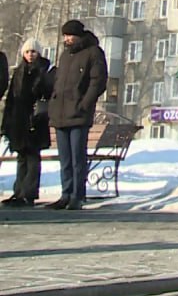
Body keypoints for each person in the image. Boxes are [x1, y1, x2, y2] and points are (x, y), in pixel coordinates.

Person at [47, 19, 108, 210]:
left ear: (79, 35)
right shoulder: (65, 56)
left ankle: (77, 195)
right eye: (65, 36)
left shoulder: (93, 52)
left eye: (70, 35)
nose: (67, 39)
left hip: (79, 113)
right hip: (61, 113)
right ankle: (66, 193)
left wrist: (85, 104)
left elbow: (98, 81)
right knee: (65, 159)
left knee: (77, 158)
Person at [1, 40, 53, 206]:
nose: (30, 55)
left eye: (34, 51)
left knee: (32, 156)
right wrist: (6, 123)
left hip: (35, 119)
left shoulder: (44, 70)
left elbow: (47, 93)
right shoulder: (19, 71)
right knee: (21, 156)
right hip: (19, 119)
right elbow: (11, 98)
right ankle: (19, 192)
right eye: (27, 52)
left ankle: (29, 193)